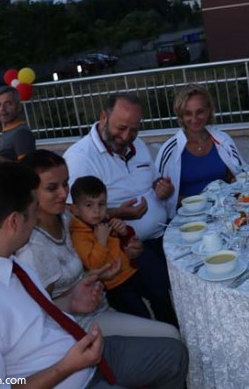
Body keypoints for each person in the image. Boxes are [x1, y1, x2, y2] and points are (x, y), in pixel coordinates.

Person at [0, 162, 188, 388]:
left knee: (175, 355)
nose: (38, 220)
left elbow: (30, 318)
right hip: (69, 373)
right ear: (14, 222)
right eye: (33, 212)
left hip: (79, 352)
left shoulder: (1, 257)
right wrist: (64, 368)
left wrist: (70, 301)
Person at [16, 150, 179, 333]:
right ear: (29, 192)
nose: (63, 193)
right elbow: (40, 315)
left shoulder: (65, 218)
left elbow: (93, 220)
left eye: (66, 183)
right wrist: (77, 295)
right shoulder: (33, 249)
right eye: (52, 188)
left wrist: (127, 241)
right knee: (167, 334)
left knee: (159, 290)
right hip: (77, 328)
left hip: (101, 305)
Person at [64, 93, 170, 241]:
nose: (126, 136)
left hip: (164, 233)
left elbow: (154, 180)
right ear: (103, 117)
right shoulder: (80, 158)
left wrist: (163, 189)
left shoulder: (138, 144)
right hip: (122, 247)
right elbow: (72, 214)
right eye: (121, 127)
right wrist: (117, 213)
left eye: (134, 130)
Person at [70, 175, 174, 322]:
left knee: (160, 293)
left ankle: (172, 329)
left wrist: (125, 232)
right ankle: (153, 333)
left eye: (101, 204)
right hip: (114, 285)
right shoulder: (79, 235)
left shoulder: (104, 221)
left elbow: (127, 241)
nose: (96, 211)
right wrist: (101, 242)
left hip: (131, 271)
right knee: (140, 317)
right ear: (75, 209)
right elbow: (93, 265)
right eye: (89, 205)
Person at [155, 84, 245, 218]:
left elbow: (240, 177)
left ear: (209, 110)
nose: (194, 119)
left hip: (223, 213)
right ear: (180, 115)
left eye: (200, 112)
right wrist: (168, 194)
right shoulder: (170, 149)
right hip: (187, 218)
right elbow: (159, 196)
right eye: (188, 113)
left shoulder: (223, 141)